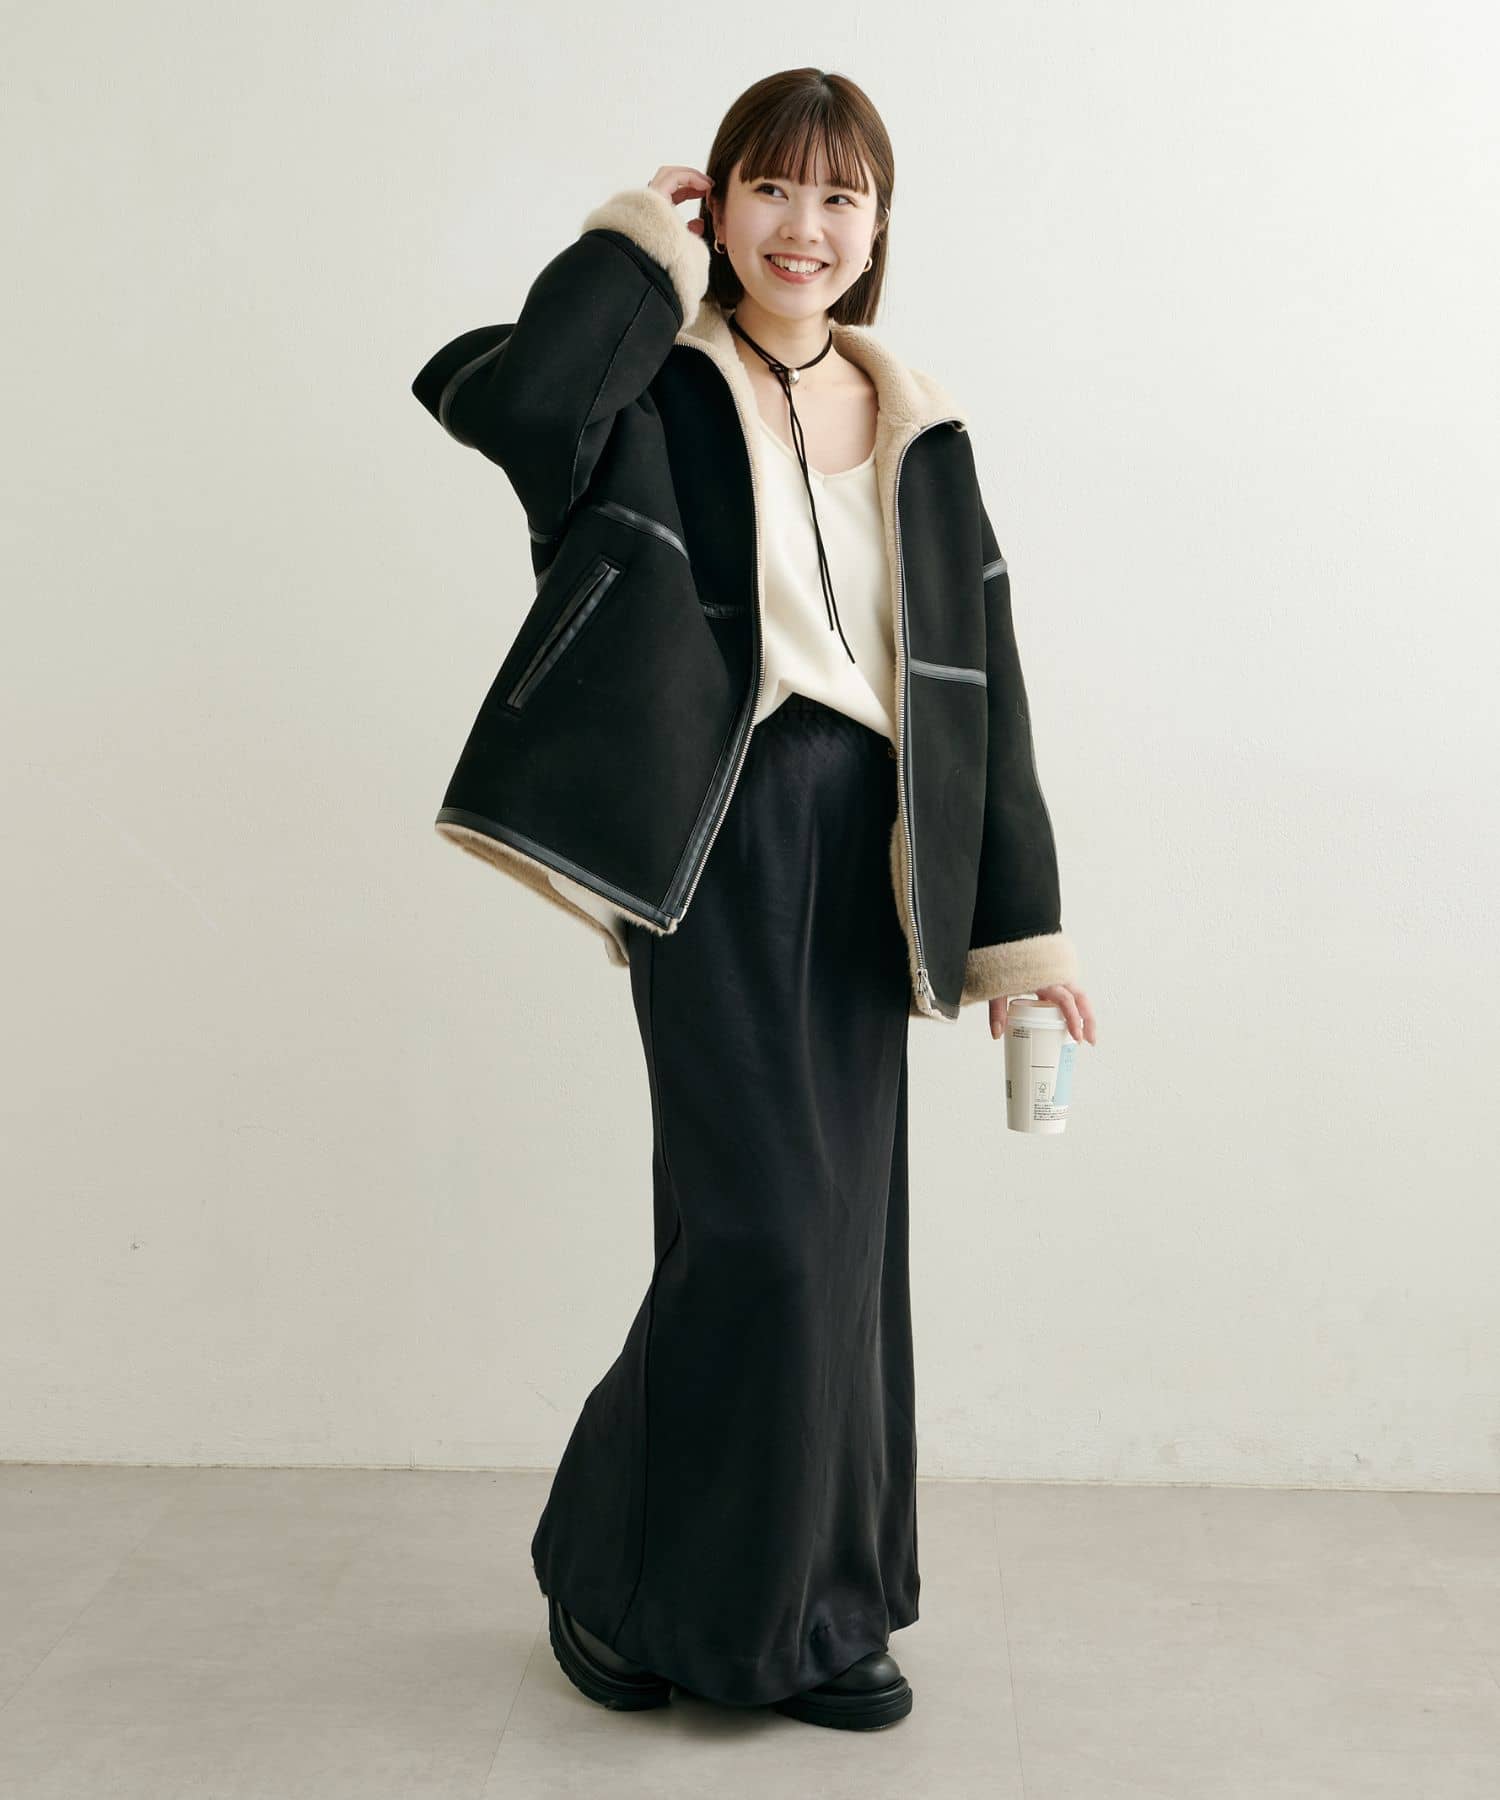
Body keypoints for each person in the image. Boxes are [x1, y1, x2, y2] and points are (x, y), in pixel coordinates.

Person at [411, 67, 1097, 1732]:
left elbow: (979, 685)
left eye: (841, 196)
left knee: (845, 1242)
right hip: (716, 834)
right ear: (722, 204)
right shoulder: (659, 379)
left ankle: (821, 1605)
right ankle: (616, 1579)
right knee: (762, 1231)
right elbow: (516, 409)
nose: (808, 226)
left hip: (881, 849)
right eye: (771, 189)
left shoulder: (923, 425)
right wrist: (632, 250)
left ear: (879, 225)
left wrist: (1022, 937)